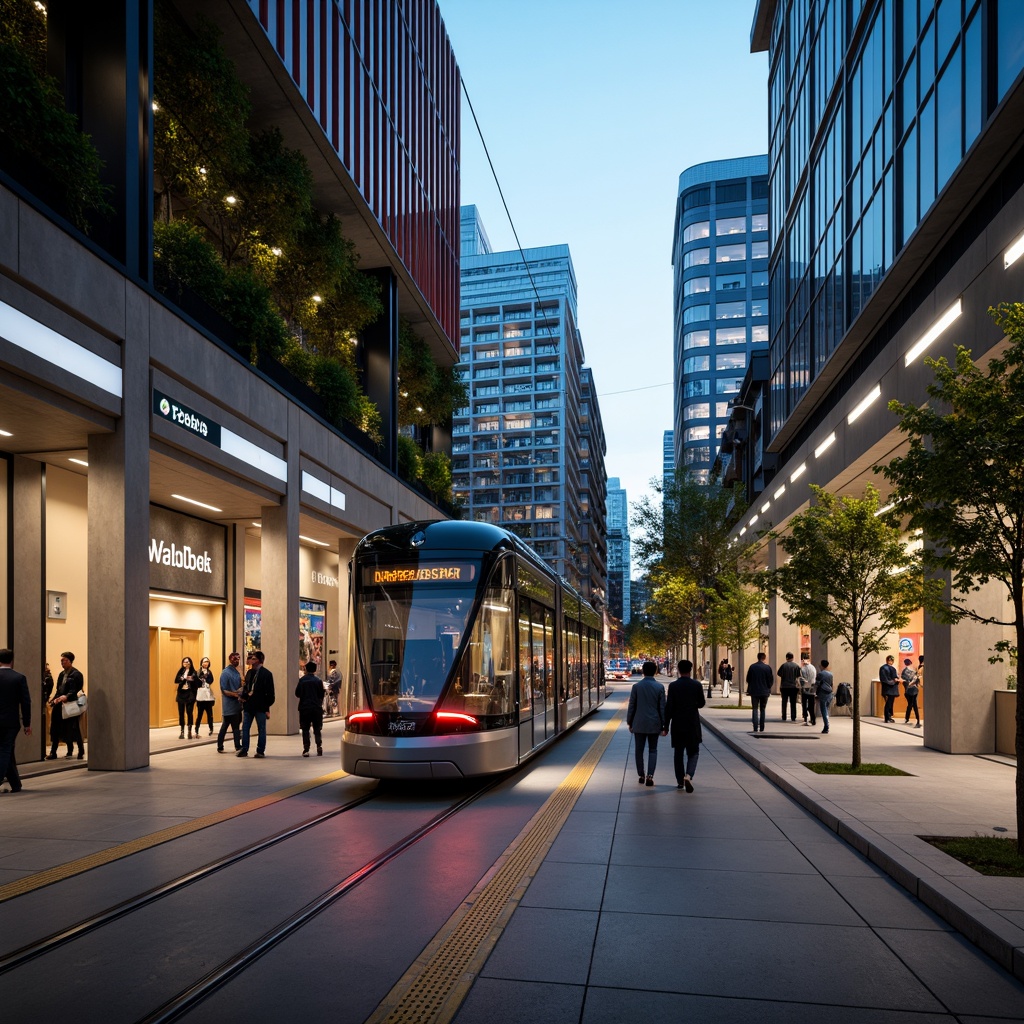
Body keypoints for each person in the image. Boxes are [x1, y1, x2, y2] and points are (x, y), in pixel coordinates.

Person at [664, 658, 706, 792]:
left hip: (677, 723)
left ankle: (680, 781)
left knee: (678, 753)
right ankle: (689, 775)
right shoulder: (697, 685)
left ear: (679, 670)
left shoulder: (673, 686)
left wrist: (665, 726)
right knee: (694, 752)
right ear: (690, 670)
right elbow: (701, 703)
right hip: (692, 722)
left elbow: (669, 707)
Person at [626, 660, 666, 786]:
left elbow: (632, 705)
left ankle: (641, 775)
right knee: (653, 750)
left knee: (639, 750)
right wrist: (664, 724)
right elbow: (662, 708)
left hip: (639, 722)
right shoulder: (660, 687)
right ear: (655, 671)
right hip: (654, 723)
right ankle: (650, 775)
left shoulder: (636, 687)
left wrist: (630, 721)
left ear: (643, 671)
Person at [0, 649, 31, 795]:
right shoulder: (19, 678)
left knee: (6, 750)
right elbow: (25, 702)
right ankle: (15, 784)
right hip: (11, 722)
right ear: (12, 660)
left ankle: (14, 783)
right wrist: (27, 723)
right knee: (7, 750)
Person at [237, 650, 275, 758]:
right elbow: (246, 688)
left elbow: (271, 693)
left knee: (261, 729)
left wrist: (267, 706)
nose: (251, 660)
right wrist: (243, 697)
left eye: (253, 658)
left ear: (259, 660)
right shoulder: (249, 673)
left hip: (260, 706)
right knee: (245, 728)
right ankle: (244, 749)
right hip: (249, 706)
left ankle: (260, 750)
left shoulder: (266, 674)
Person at [51, 651, 85, 760]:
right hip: (60, 703)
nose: (62, 663)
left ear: (70, 661)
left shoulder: (76, 674)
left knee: (73, 728)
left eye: (64, 660)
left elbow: (75, 690)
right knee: (55, 727)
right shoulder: (62, 674)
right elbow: (58, 689)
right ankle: (53, 752)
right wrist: (54, 699)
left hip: (71, 704)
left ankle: (80, 750)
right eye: (61, 661)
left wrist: (67, 696)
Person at [295, 660, 324, 756]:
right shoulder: (318, 681)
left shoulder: (302, 680)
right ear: (315, 670)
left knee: (305, 728)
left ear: (306, 669)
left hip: (304, 707)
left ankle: (306, 749)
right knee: (317, 728)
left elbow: (297, 693)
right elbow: (321, 695)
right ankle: (319, 746)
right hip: (316, 707)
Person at [216, 652, 243, 753]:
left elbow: (241, 684)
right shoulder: (226, 673)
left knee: (234, 725)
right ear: (230, 659)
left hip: (236, 704)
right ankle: (234, 746)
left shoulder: (236, 672)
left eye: (238, 659)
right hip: (229, 704)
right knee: (229, 725)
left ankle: (224, 745)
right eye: (235, 659)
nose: (237, 661)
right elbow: (224, 690)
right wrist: (236, 695)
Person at [746, 651, 773, 733]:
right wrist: (768, 687)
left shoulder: (752, 667)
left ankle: (755, 726)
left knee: (755, 708)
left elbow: (748, 679)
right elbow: (770, 680)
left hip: (754, 691)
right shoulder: (767, 668)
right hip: (764, 692)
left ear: (758, 658)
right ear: (764, 658)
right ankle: (762, 727)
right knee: (763, 709)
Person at [174, 656, 199, 739]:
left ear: (191, 663)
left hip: (190, 694)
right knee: (181, 713)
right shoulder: (181, 671)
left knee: (189, 712)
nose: (186, 663)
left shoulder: (193, 672)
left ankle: (189, 731)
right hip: (181, 693)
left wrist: (192, 679)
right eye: (184, 662)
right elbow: (176, 680)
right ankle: (182, 731)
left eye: (188, 662)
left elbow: (198, 683)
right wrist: (182, 678)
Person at [193, 657, 216, 736]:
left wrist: (206, 678)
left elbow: (211, 681)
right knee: (199, 714)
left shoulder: (209, 672)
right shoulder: (198, 672)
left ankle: (211, 728)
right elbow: (196, 682)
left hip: (208, 695)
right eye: (204, 662)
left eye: (207, 662)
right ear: (201, 663)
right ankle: (196, 729)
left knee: (210, 714)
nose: (206, 663)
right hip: (200, 695)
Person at [902, 658, 922, 727]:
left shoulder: (904, 671)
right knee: (914, 705)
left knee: (910, 704)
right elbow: (917, 680)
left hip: (908, 690)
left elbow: (904, 680)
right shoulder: (914, 670)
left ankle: (907, 718)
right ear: (910, 662)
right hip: (914, 689)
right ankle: (917, 720)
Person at [879, 655, 900, 723]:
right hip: (891, 689)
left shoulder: (883, 668)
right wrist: (895, 681)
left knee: (888, 703)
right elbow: (894, 678)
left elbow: (883, 679)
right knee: (889, 703)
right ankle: (888, 717)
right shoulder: (892, 669)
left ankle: (888, 717)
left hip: (886, 688)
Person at [816, 659, 834, 734]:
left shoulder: (820, 674)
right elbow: (832, 684)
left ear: (822, 665)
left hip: (822, 693)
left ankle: (826, 725)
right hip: (829, 693)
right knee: (826, 708)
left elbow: (817, 683)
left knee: (823, 710)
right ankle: (827, 721)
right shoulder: (830, 674)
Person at [799, 655, 817, 726]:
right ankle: (813, 718)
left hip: (805, 689)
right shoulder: (813, 668)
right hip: (812, 689)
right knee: (811, 705)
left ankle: (805, 716)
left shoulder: (802, 669)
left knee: (804, 703)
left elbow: (801, 679)